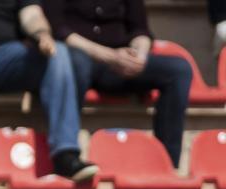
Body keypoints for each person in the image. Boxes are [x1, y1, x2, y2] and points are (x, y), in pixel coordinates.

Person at [43, 0, 193, 166]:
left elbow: (140, 30)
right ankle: (68, 157)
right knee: (75, 63)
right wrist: (111, 56)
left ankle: (167, 164)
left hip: (118, 65)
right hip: (79, 59)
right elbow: (59, 31)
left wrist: (139, 57)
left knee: (179, 69)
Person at [0, 0, 98, 181]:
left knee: (58, 52)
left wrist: (42, 35)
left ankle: (66, 154)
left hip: (8, 55)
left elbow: (31, 13)